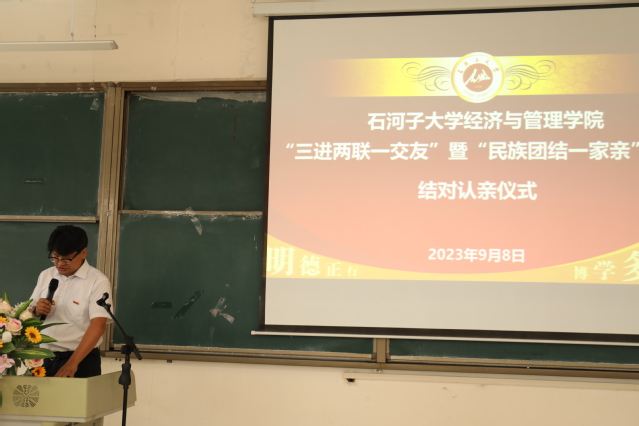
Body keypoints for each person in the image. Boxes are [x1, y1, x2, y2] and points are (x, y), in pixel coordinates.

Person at [29, 225, 112, 378]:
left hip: (81, 361)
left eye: (66, 258)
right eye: (55, 257)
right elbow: (29, 314)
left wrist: (72, 364)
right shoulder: (46, 275)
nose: (60, 263)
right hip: (44, 359)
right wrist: (36, 310)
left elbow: (98, 325)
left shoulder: (97, 281)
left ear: (83, 252)